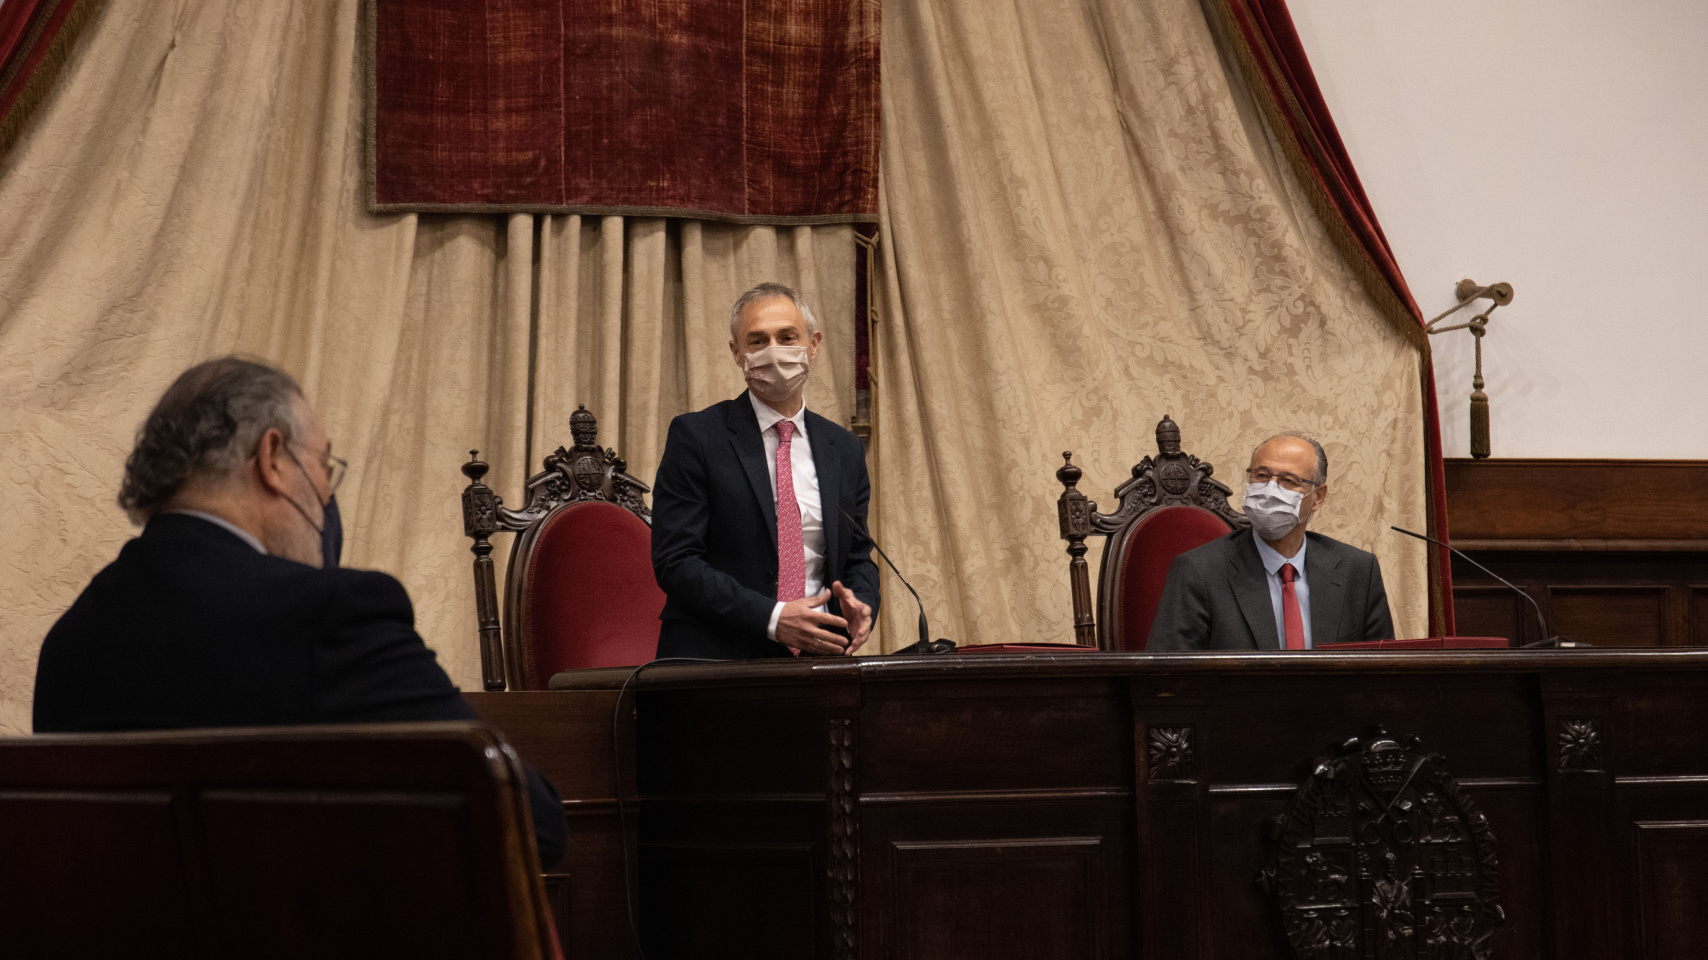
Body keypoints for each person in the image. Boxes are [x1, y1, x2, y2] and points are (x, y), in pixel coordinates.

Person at [32, 357, 567, 868]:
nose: (326, 497)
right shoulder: (330, 617)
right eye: (321, 464)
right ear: (272, 457)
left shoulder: (68, 643)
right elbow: (532, 825)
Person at [651, 282, 881, 660]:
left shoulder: (844, 448)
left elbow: (857, 557)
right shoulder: (696, 436)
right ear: (737, 352)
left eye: (787, 336)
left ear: (814, 344)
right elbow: (676, 562)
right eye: (757, 341)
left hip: (818, 659)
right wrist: (773, 618)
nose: (773, 350)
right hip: (714, 660)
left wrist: (862, 603)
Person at [1147, 432, 1393, 651]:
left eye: (1288, 481)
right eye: (1261, 476)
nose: (1270, 490)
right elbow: (1169, 679)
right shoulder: (1198, 571)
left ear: (1318, 497)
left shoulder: (1358, 570)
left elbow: (1383, 677)